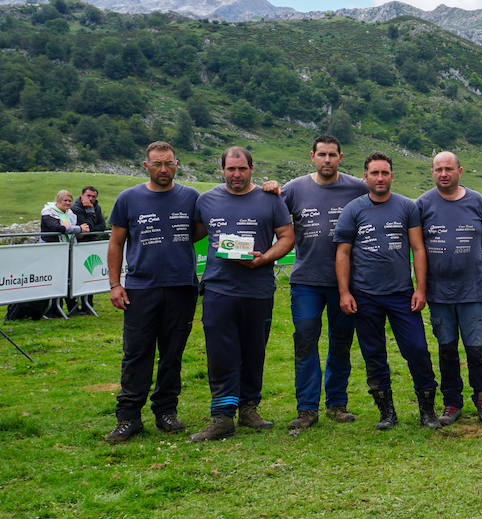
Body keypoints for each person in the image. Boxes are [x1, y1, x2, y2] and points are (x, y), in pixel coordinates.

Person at [190, 147, 295, 442]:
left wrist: (265, 259)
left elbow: (287, 236)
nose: (236, 175)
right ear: (222, 169)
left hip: (258, 289)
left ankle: (249, 409)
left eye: (242, 169)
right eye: (231, 169)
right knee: (220, 353)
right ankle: (222, 417)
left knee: (254, 351)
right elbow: (194, 233)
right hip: (218, 288)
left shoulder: (270, 199)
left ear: (251, 168)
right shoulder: (206, 200)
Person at [103, 141, 200, 443]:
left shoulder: (191, 197)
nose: (163, 169)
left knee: (172, 354)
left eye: (168, 163)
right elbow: (116, 243)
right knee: (137, 353)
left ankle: (166, 411)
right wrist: (115, 284)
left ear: (177, 164)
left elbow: (199, 231)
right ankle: (128, 417)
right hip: (141, 288)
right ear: (146, 166)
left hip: (182, 287)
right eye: (156, 164)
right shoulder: (128, 198)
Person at [335, 152, 440, 431]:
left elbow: (418, 248)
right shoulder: (353, 210)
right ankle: (386, 412)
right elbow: (343, 253)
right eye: (374, 173)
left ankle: (428, 411)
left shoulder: (407, 207)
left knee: (417, 349)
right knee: (373, 353)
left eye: (384, 173)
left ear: (392, 176)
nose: (380, 178)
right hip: (364, 295)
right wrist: (344, 293)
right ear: (365, 177)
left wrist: (420, 288)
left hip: (402, 294)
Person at [279, 136, 368, 432]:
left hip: (345, 284)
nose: (327, 159)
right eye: (321, 154)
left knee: (340, 344)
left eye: (332, 155)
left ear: (341, 157)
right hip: (305, 282)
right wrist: (267, 189)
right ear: (312, 156)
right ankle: (306, 409)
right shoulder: (293, 189)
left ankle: (336, 404)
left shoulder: (358, 187)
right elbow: (270, 213)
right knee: (305, 342)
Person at [419, 150, 482, 426]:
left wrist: (468, 258)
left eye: (449, 169)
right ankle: (452, 403)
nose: (444, 173)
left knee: (476, 350)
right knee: (447, 349)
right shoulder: (422, 204)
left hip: (472, 291)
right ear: (433, 172)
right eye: (438, 169)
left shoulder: (477, 201)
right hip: (439, 294)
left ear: (460, 171)